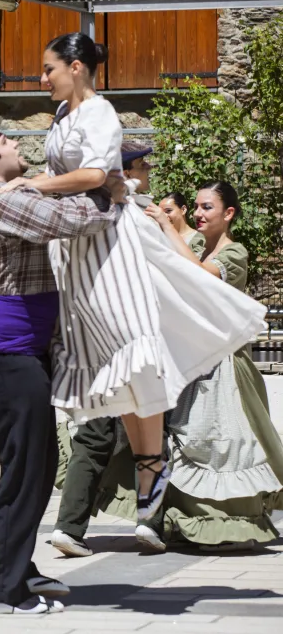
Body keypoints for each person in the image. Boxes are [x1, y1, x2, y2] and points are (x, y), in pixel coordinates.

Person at [4, 32, 264, 522]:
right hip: (76, 243)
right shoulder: (62, 116)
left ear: (76, 67)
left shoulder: (100, 112)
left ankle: (151, 463)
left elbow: (95, 174)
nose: (42, 79)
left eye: (49, 69)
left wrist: (33, 182)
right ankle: (151, 463)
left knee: (132, 347)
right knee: (111, 360)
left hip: (109, 241)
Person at [0, 116, 129, 614]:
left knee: (33, 465)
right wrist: (108, 190)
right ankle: (5, 590)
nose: (15, 143)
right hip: (3, 357)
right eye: (6, 141)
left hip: (7, 354)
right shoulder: (6, 198)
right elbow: (75, 219)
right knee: (26, 473)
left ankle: (18, 567)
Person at [141, 182, 283, 550]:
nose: (200, 214)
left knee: (221, 442)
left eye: (208, 207)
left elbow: (201, 276)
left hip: (223, 365)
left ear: (229, 213)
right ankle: (180, 519)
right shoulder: (199, 247)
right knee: (186, 438)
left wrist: (170, 229)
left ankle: (223, 522)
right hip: (192, 358)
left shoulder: (235, 253)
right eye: (198, 207)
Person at [51, 142, 171, 558]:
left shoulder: (73, 221)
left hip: (88, 344)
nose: (148, 169)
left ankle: (70, 526)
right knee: (151, 435)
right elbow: (166, 273)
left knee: (93, 435)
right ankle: (149, 520)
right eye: (142, 164)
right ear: (123, 174)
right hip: (135, 339)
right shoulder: (135, 218)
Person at [159, 191, 206, 255]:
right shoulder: (159, 237)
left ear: (183, 210)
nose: (164, 216)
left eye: (168, 211)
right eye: (161, 213)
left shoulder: (199, 239)